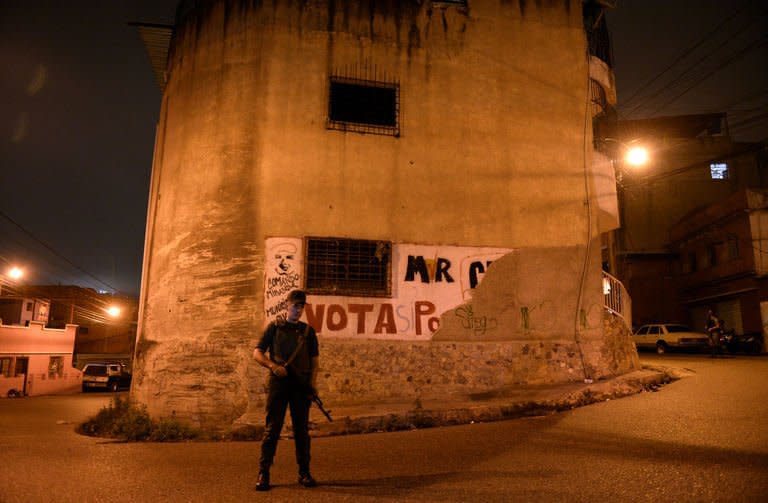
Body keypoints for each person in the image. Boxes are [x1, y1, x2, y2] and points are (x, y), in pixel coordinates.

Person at [253, 289, 320, 491]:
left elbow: (315, 363)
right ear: (286, 305)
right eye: (295, 306)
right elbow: (257, 353)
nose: (298, 310)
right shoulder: (274, 328)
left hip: (301, 386)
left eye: (301, 306)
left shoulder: (308, 332)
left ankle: (304, 472)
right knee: (272, 429)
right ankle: (264, 472)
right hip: (279, 384)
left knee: (301, 431)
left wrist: (313, 385)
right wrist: (273, 366)